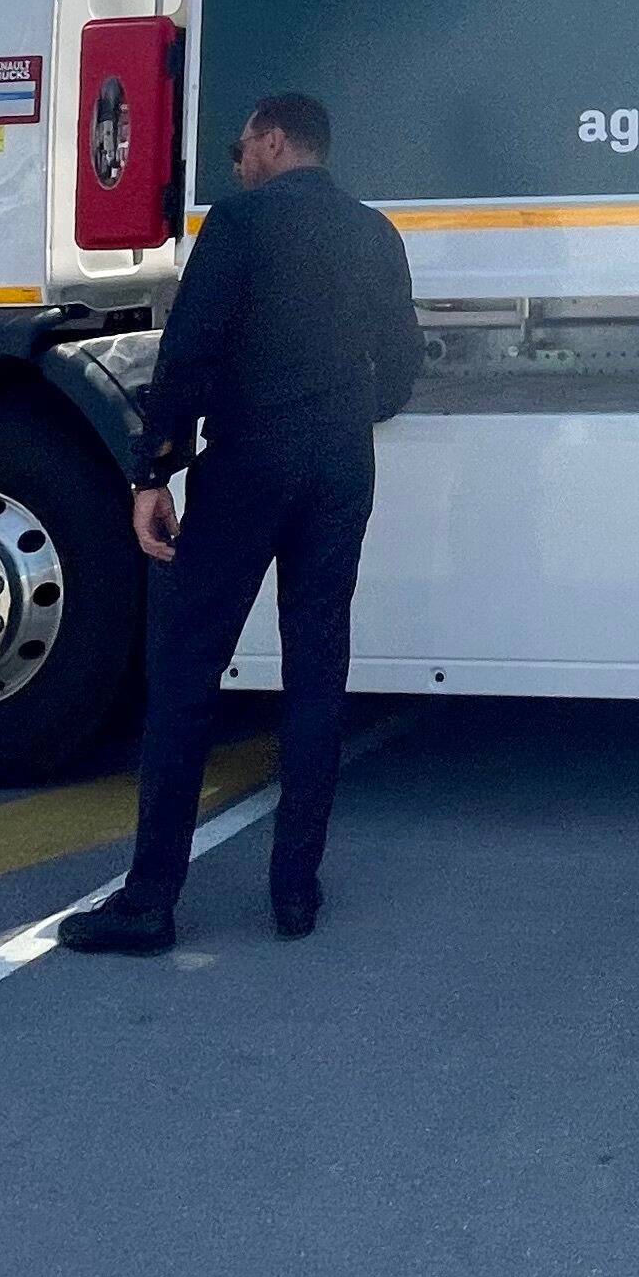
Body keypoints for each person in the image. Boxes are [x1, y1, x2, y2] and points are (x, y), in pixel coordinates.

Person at [61, 92, 422, 958]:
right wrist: (351, 415)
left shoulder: (240, 224)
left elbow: (190, 349)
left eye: (240, 144)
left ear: (271, 138)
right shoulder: (376, 232)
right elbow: (403, 361)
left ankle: (151, 899)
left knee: (187, 666)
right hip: (342, 465)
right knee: (318, 665)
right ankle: (295, 891)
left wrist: (154, 471)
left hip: (251, 459)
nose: (236, 161)